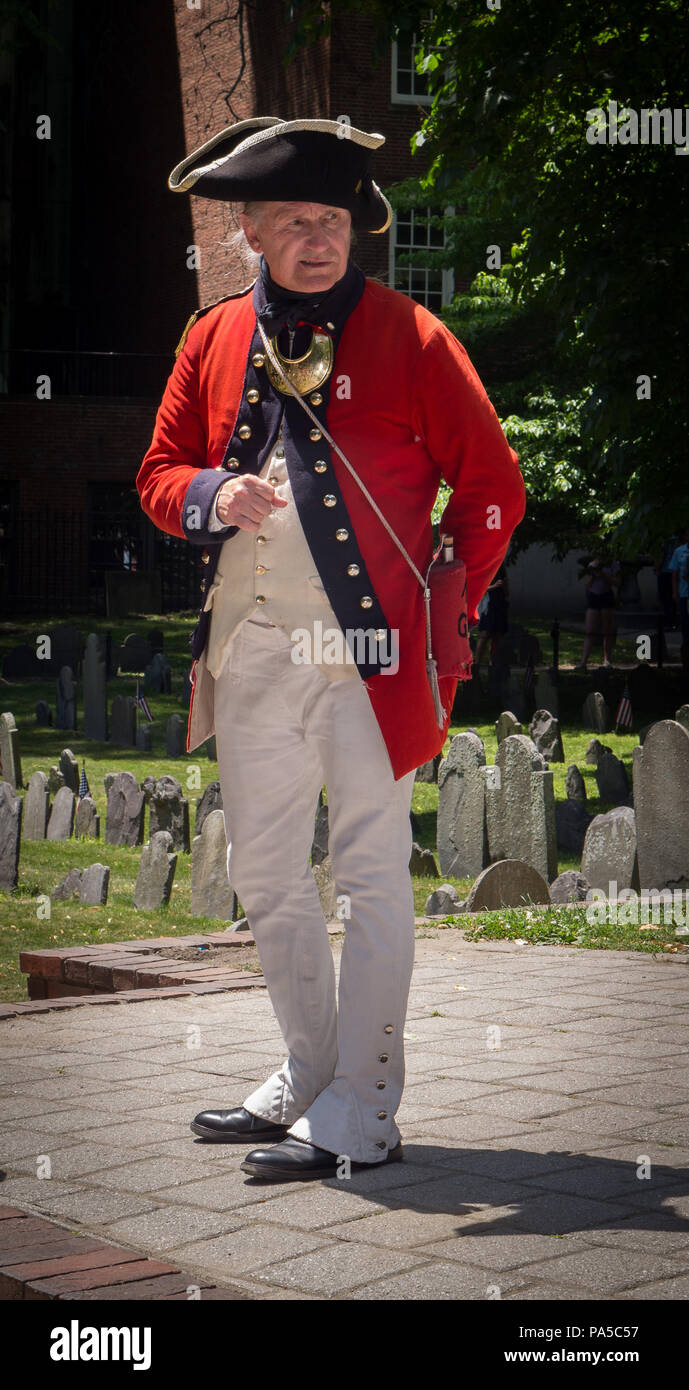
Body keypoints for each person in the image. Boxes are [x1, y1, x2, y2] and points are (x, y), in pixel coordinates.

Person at [137, 117, 526, 1182]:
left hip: (369, 653)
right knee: (264, 870)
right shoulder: (210, 336)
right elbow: (158, 476)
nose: (320, 239)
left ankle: (366, 1103)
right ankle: (308, 1069)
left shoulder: (413, 335)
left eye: (337, 221)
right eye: (297, 222)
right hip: (248, 646)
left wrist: (447, 604)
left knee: (367, 872)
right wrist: (215, 493)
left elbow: (493, 487)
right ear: (252, 231)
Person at [575, 553, 621, 670]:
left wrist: (604, 575)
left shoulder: (614, 563)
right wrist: (593, 574)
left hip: (606, 597)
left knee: (607, 631)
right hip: (594, 598)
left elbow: (617, 583)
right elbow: (587, 585)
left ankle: (607, 660)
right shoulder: (592, 564)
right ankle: (583, 662)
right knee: (590, 631)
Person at [473, 563, 509, 668]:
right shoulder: (486, 569)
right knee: (484, 635)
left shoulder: (502, 571)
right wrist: (494, 586)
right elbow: (479, 589)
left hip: (500, 604)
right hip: (489, 605)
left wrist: (505, 585)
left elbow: (507, 593)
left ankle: (492, 662)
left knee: (496, 636)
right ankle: (477, 663)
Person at [668, 528, 689, 645]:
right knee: (685, 621)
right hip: (684, 592)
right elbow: (674, 574)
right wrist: (675, 592)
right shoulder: (679, 551)